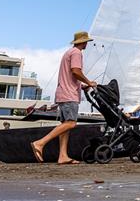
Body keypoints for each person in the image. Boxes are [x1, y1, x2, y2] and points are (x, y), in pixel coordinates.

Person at [31, 31, 97, 165]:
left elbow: (71, 76)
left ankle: (63, 156)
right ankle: (40, 143)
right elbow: (75, 71)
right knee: (71, 123)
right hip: (69, 94)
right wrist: (89, 82)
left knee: (65, 126)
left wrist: (82, 85)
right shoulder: (77, 53)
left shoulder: (68, 53)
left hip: (63, 92)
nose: (87, 44)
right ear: (83, 42)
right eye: (86, 42)